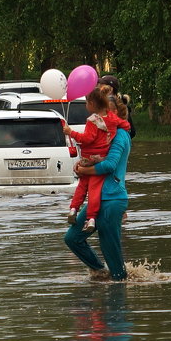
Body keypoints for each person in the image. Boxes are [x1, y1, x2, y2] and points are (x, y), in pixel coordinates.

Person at [64, 87, 132, 281]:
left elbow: (110, 165)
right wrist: (83, 162)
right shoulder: (105, 134)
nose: (104, 117)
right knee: (72, 238)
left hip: (112, 198)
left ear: (116, 113)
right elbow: (95, 151)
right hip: (98, 197)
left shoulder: (120, 135)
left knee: (110, 250)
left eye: (108, 112)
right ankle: (101, 273)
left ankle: (119, 288)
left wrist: (84, 170)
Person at [63, 85, 129, 232]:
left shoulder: (92, 120)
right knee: (94, 190)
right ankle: (91, 218)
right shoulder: (112, 119)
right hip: (101, 158)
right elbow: (125, 124)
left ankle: (73, 209)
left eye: (86, 103)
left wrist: (71, 132)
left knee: (82, 186)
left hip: (88, 157)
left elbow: (87, 138)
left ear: (92, 104)